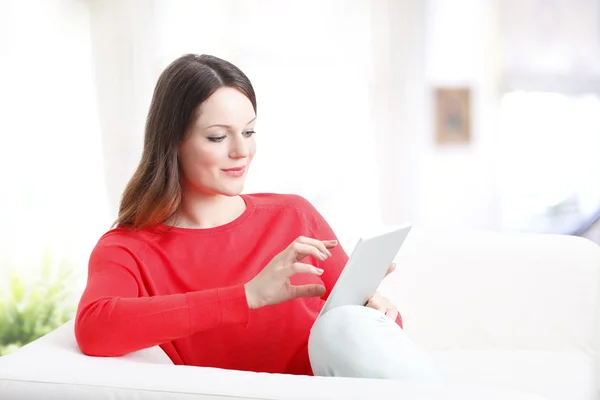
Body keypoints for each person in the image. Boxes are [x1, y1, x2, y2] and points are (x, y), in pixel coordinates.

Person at [75, 54, 443, 380]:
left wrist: (380, 313)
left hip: (334, 386)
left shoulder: (292, 215)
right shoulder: (129, 247)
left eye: (249, 132)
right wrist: (246, 296)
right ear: (173, 141)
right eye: (218, 137)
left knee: (343, 324)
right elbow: (95, 328)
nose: (242, 151)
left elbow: (363, 339)